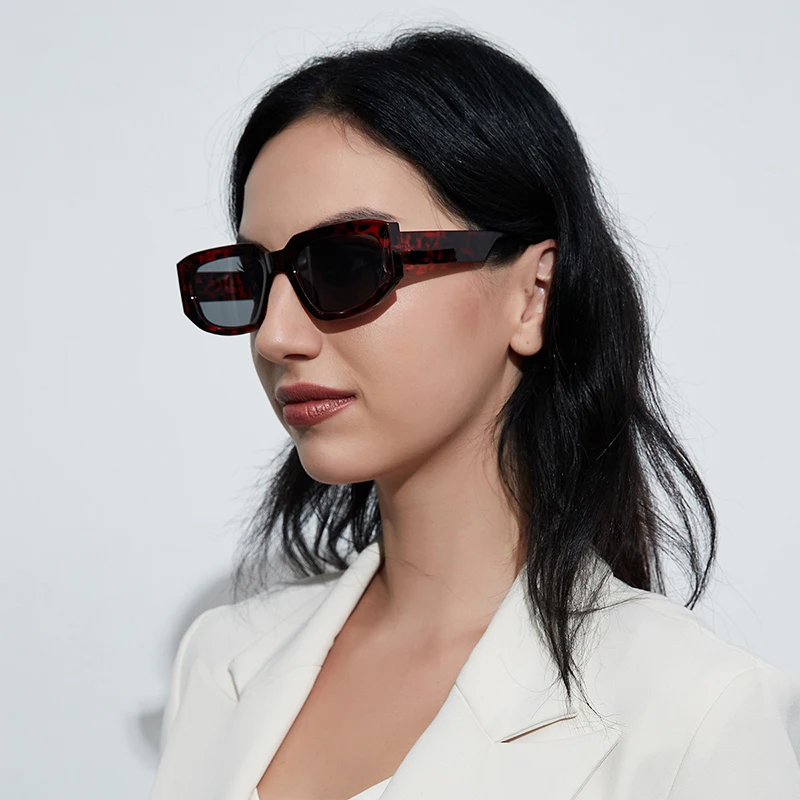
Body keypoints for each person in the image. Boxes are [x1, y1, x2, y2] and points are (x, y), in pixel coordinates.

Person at [152, 24, 800, 800]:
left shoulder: (694, 712)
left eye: (348, 263)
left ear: (533, 295)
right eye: (255, 278)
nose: (274, 335)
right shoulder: (220, 661)